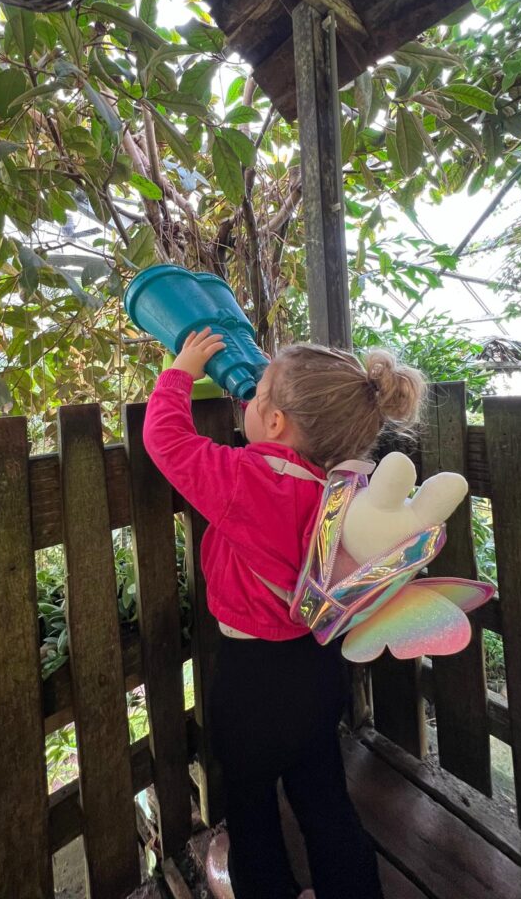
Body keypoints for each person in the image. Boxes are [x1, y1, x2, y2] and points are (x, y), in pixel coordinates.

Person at [143, 329, 425, 899]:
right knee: (323, 795)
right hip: (319, 671)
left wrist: (180, 373)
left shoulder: (245, 480)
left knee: (249, 808)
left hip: (252, 680)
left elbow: (166, 441)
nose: (248, 401)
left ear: (274, 424)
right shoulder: (345, 495)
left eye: (257, 394)